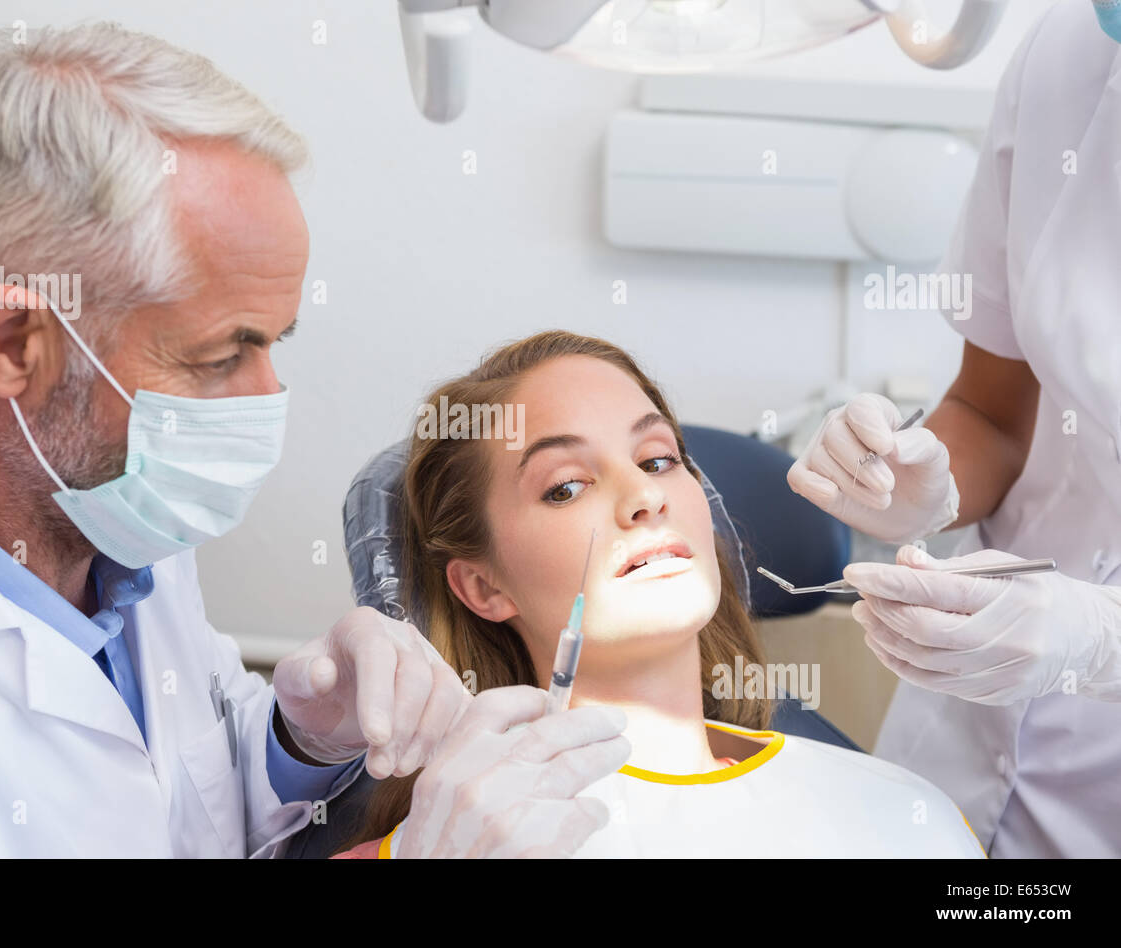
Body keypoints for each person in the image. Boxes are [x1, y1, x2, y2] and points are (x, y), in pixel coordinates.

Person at [0, 24, 626, 857]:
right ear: (12, 344)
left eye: (277, 340)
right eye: (221, 355)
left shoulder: (105, 508)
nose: (267, 395)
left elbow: (185, 801)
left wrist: (300, 738)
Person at [334, 331, 984, 858]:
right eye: (565, 487)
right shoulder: (446, 845)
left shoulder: (906, 816)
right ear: (483, 586)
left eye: (656, 460)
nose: (646, 497)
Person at [785, 0, 1121, 858]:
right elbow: (991, 412)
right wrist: (923, 481)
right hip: (960, 753)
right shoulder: (1070, 55)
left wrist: (1099, 642)